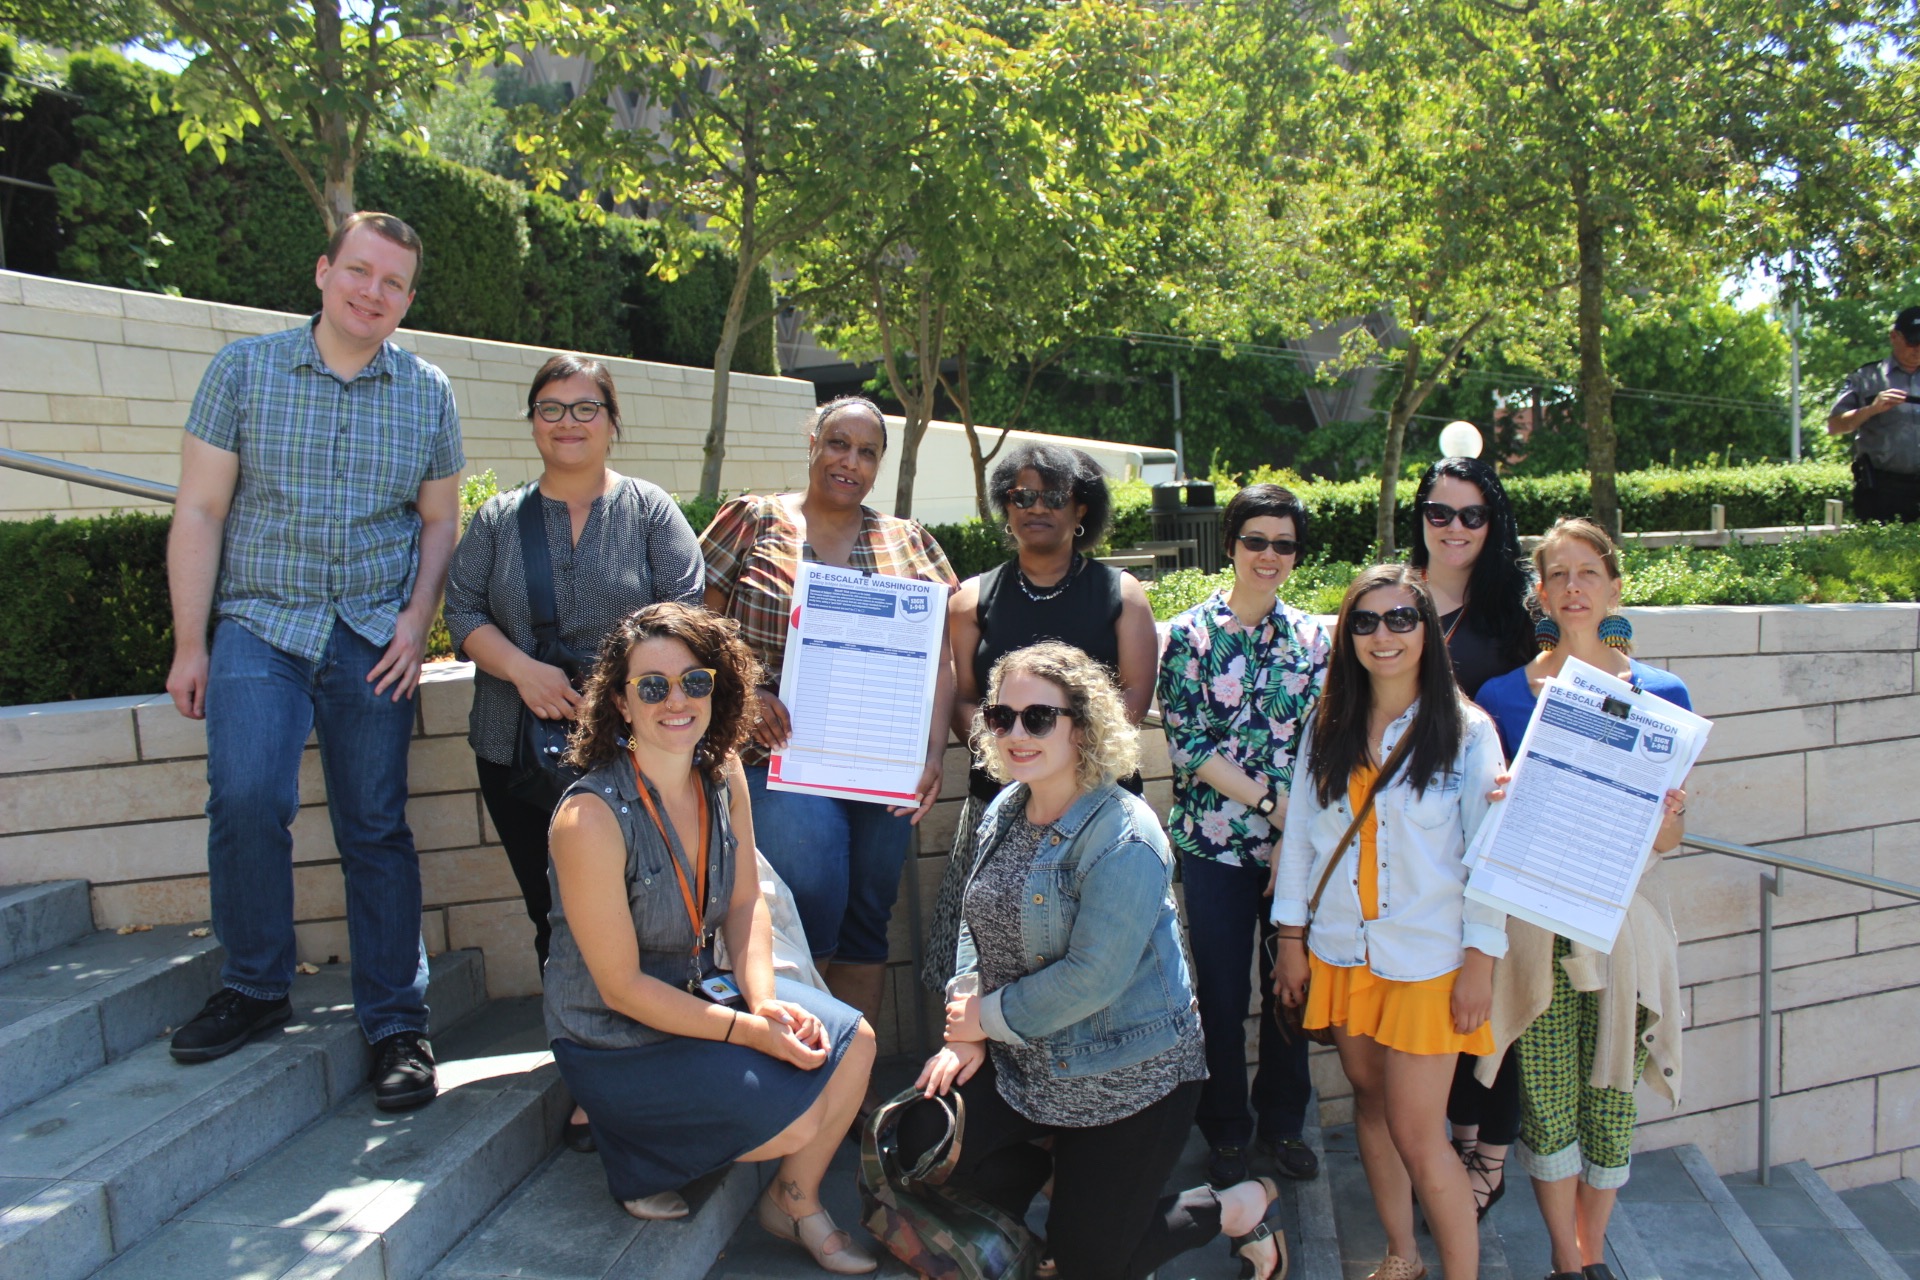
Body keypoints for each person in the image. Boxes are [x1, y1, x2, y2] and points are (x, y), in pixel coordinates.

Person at [164, 211, 461, 1111]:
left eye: (393, 284)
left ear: (408, 300)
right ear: (324, 269)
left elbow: (440, 519)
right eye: (360, 273)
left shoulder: (427, 392)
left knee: (375, 825)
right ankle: (254, 986)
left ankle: (396, 1024)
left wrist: (417, 623)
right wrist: (190, 641)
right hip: (262, 623)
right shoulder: (242, 372)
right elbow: (201, 511)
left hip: (373, 634)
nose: (373, 294)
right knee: (251, 796)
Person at [907, 641, 1285, 1280]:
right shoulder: (1005, 806)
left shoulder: (1125, 835)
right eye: (1003, 718)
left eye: (1039, 718)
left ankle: (1229, 1208)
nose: (1016, 735)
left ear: (1081, 725)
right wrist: (966, 1027)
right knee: (916, 1142)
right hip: (1024, 1057)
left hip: (1126, 1073)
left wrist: (986, 1019)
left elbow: (1094, 977)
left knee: (1085, 1265)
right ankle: (1069, 1191)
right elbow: (977, 920)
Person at [543, 603, 877, 1273]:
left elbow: (746, 901)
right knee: (794, 1120)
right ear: (620, 701)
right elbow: (621, 988)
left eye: (696, 682)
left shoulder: (721, 772)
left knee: (855, 1043)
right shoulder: (589, 818)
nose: (677, 701)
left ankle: (794, 1199)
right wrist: (752, 1032)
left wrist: (762, 999)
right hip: (617, 1036)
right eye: (652, 686)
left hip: (703, 993)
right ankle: (635, 1148)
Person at [1273, 564, 1508, 1280]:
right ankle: (1401, 1258)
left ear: (1428, 633)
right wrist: (1290, 940)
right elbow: (1307, 838)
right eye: (1366, 621)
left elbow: (1489, 861)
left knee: (1419, 1132)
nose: (1384, 635)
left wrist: (1482, 963)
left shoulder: (1467, 732)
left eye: (1402, 619)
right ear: (1347, 636)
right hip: (1345, 951)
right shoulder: (1329, 723)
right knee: (1370, 1106)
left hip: (1428, 961)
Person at [1473, 519, 1690, 1280]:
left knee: (1613, 1093)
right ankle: (1569, 1261)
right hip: (1536, 926)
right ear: (1539, 592)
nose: (1573, 587)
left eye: (1587, 573)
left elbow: (1668, 841)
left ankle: (1589, 1253)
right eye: (1558, 575)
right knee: (1548, 1096)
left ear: (1614, 588)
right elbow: (1484, 816)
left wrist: (1669, 820)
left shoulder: (1662, 694)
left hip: (1621, 925)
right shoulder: (1502, 695)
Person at [700, 395, 957, 1021]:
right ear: (812, 443)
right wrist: (746, 689)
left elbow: (941, 655)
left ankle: (857, 1090)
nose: (851, 461)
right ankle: (805, 1070)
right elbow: (692, 624)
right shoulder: (753, 519)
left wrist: (931, 754)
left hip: (882, 765)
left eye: (868, 452)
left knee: (870, 915)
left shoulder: (909, 541)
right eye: (838, 443)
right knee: (803, 905)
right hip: (777, 758)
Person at [444, 354, 704, 971]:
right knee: (551, 910)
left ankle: (649, 1034)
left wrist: (613, 696)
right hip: (518, 748)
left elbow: (684, 612)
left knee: (646, 906)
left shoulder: (649, 510)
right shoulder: (498, 520)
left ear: (611, 421)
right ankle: (576, 1044)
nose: (569, 422)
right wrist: (522, 670)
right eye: (551, 409)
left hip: (637, 745)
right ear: (533, 422)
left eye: (586, 408)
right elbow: (462, 612)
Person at [922, 443, 1157, 995]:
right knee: (987, 965)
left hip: (1099, 803)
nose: (1036, 507)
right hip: (999, 798)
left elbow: (1132, 703)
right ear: (1005, 508)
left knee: (1096, 964)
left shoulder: (1121, 594)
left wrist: (1060, 775)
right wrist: (1017, 753)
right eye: (1021, 495)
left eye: (1053, 495)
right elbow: (964, 699)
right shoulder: (970, 600)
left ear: (1082, 510)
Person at [1157, 483, 1329, 1189]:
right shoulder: (1189, 635)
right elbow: (1190, 744)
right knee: (1223, 997)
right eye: (1255, 540)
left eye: (1283, 544)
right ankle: (1226, 1130)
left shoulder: (1317, 639)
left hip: (1299, 848)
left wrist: (1296, 830)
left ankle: (1284, 1126)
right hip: (1215, 846)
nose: (1269, 555)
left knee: (1292, 993)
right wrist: (1271, 806)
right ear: (1230, 545)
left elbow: (1326, 739)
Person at [1407, 455, 1535, 1218]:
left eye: (1472, 515)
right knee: (1434, 1000)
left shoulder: (1514, 617)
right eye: (1440, 512)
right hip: (1408, 848)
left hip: (1488, 838)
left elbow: (1557, 702)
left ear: (1493, 524)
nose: (1454, 528)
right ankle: (1453, 1140)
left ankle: (1489, 1151)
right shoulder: (1391, 601)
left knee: (1490, 1000)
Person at [1829, 305, 1920, 524]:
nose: (1918, 349)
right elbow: (1835, 426)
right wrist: (1871, 410)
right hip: (1883, 490)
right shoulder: (1866, 377)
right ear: (1894, 337)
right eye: (1912, 341)